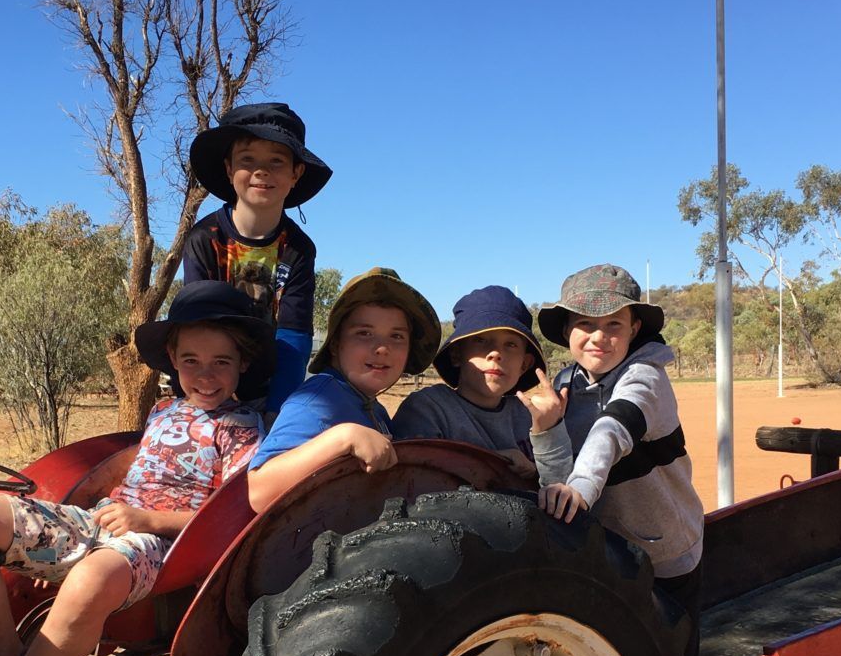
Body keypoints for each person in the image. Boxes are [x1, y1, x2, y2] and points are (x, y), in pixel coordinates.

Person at [0, 282, 271, 656]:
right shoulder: (163, 411)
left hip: (162, 542)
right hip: (101, 521)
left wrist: (146, 518)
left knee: (90, 577)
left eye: (221, 362)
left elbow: (231, 517)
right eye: (191, 361)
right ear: (173, 361)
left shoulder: (242, 428)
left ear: (242, 363)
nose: (205, 375)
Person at [535, 264, 707, 656]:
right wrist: (543, 434)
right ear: (566, 332)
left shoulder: (645, 376)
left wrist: (579, 487)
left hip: (665, 552)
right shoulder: (565, 383)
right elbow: (555, 461)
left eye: (614, 323)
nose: (599, 337)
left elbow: (613, 429)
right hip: (608, 551)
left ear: (634, 329)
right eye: (585, 323)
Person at [245, 267, 439, 512]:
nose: (382, 348)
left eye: (397, 336)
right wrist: (343, 437)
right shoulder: (316, 403)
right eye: (364, 333)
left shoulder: (372, 407)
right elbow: (260, 491)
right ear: (336, 343)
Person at [183, 102, 332, 411]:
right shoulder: (204, 239)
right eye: (247, 159)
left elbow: (293, 337)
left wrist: (277, 413)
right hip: (209, 387)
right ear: (228, 168)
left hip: (272, 390)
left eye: (276, 161)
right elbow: (195, 330)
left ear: (296, 173)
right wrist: (209, 402)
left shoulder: (298, 249)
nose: (261, 171)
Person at [390, 284, 572, 484]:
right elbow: (410, 478)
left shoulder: (531, 417)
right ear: (457, 354)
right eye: (481, 340)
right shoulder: (429, 409)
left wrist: (536, 462)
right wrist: (489, 462)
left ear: (525, 364)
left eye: (510, 344)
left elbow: (559, 485)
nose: (496, 353)